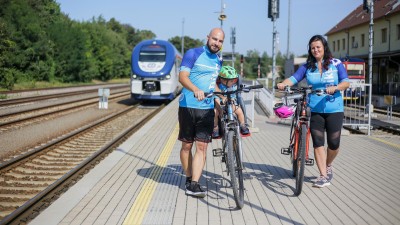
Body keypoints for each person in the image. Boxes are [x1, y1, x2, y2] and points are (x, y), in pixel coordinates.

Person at [277, 35, 350, 188]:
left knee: (334, 143)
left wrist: (336, 87)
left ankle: (328, 164)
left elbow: (345, 82)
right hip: (315, 109)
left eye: (318, 47)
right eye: (313, 48)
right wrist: (283, 84)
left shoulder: (336, 64)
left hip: (334, 108)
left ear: (324, 48)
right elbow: (294, 78)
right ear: (310, 50)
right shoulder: (307, 66)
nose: (315, 50)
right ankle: (323, 175)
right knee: (318, 142)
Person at [178, 27, 225, 197]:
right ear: (207, 38)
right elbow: (182, 77)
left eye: (220, 41)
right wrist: (195, 89)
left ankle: (195, 184)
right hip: (188, 106)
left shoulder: (218, 60)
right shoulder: (193, 53)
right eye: (214, 39)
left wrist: (220, 97)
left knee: (202, 147)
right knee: (186, 146)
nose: (217, 43)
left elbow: (212, 83)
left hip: (206, 108)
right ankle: (189, 177)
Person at [212, 65, 250, 139]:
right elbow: (216, 98)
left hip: (231, 104)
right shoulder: (218, 87)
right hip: (220, 105)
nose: (233, 82)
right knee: (215, 112)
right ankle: (215, 128)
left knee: (239, 111)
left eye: (235, 80)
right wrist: (220, 107)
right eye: (231, 80)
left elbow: (234, 96)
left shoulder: (233, 87)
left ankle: (243, 125)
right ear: (223, 80)